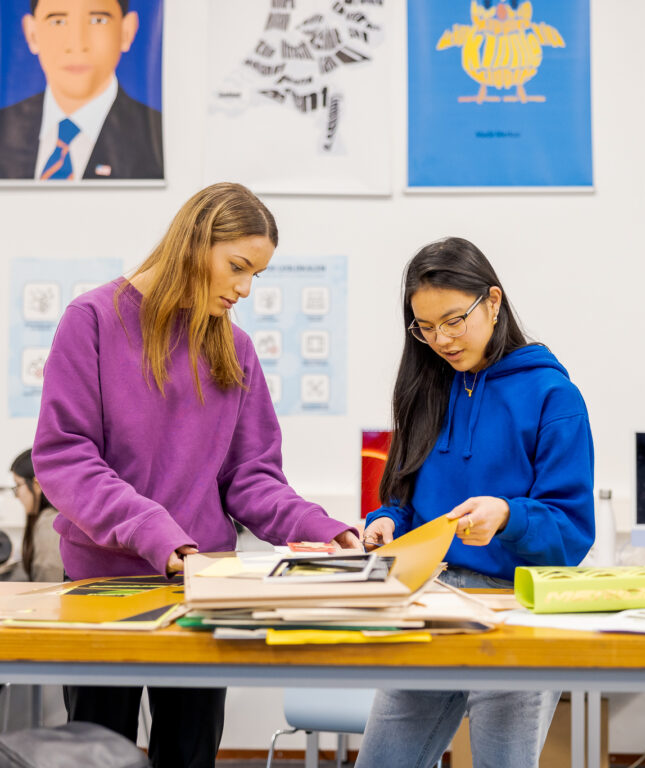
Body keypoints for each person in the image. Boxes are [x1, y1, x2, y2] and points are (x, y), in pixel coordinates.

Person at [32, 182, 361, 768]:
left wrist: (324, 530)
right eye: (237, 267)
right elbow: (66, 458)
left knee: (189, 754)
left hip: (203, 589)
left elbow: (251, 477)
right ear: (195, 242)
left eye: (256, 274)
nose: (245, 289)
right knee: (97, 754)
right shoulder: (92, 321)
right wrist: (157, 533)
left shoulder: (234, 346)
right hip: (104, 587)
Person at [357, 236, 594, 768]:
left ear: (493, 301)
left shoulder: (553, 396)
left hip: (514, 609)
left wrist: (508, 516)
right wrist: (386, 521)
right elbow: (402, 496)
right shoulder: (425, 386)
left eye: (453, 320)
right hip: (428, 599)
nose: (441, 339)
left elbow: (572, 530)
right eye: (425, 327)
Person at [0, 0, 163, 180]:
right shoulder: (6, 126)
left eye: (97, 20)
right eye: (58, 22)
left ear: (127, 30)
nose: (76, 44)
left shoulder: (158, 137)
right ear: (32, 33)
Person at [9, 448, 64, 582]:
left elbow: (48, 582)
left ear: (36, 485)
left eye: (18, 485)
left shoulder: (49, 523)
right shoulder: (55, 518)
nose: (17, 495)